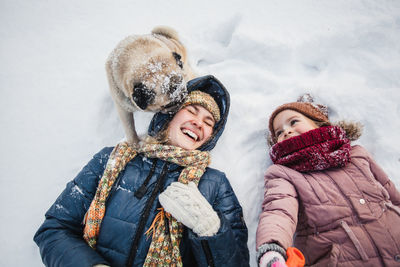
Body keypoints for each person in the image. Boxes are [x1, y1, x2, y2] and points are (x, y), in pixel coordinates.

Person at [34, 75, 249, 267]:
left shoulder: (216, 185)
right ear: (170, 114)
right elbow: (54, 229)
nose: (198, 122)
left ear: (211, 137)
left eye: (208, 122)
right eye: (191, 110)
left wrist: (210, 228)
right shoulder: (111, 160)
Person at [256, 94, 400, 266]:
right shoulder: (283, 174)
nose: (286, 130)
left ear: (317, 123)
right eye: (278, 132)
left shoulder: (356, 155)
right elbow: (279, 210)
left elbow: (391, 194)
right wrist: (273, 247)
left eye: (293, 122)